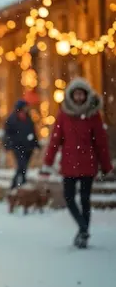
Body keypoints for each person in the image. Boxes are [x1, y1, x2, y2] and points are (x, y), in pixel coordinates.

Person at [41, 79, 113, 249]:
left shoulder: (93, 115)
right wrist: (47, 163)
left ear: (86, 95)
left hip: (88, 164)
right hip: (69, 164)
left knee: (85, 200)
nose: (79, 97)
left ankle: (83, 234)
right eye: (76, 94)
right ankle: (83, 228)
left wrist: (106, 166)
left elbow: (101, 143)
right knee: (69, 198)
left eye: (82, 94)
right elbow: (55, 140)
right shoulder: (64, 115)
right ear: (71, 96)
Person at [3, 99, 38, 191]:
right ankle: (16, 185)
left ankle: (21, 184)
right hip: (17, 147)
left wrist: (36, 143)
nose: (27, 109)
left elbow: (32, 132)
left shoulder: (28, 118)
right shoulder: (12, 119)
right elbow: (7, 134)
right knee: (21, 166)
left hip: (28, 147)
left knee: (24, 167)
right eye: (25, 107)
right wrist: (8, 145)